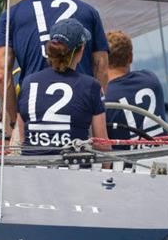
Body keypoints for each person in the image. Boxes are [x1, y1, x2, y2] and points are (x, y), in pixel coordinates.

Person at [0, 0, 109, 130]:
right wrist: (97, 117)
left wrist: (15, 120)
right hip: (81, 111)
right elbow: (101, 67)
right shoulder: (89, 12)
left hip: (33, 114)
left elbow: (2, 76)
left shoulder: (11, 15)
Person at [17, 18, 111, 155]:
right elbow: (102, 145)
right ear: (81, 50)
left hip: (30, 169)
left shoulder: (28, 83)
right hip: (73, 171)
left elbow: (23, 139)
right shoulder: (91, 86)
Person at [105, 30, 167, 147]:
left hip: (126, 163)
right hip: (162, 160)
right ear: (131, 57)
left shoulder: (104, 98)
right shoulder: (151, 79)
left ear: (103, 59)